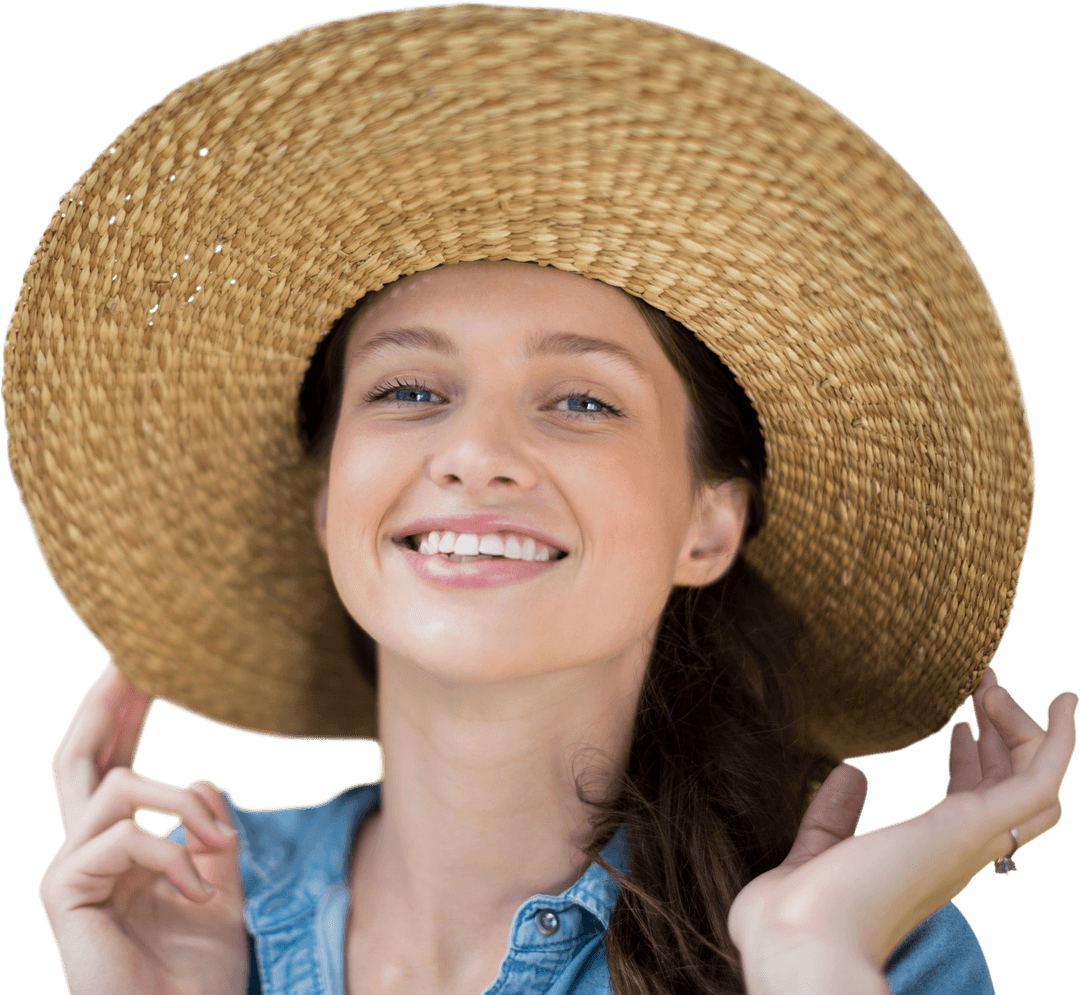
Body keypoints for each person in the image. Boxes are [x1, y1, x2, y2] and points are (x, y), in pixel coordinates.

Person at [7, 5, 1075, 994]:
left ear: (709, 524)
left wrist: (808, 955)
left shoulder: (866, 947)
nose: (475, 452)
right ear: (327, 493)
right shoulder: (169, 914)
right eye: (409, 389)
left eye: (579, 399)